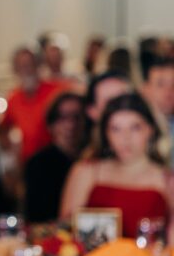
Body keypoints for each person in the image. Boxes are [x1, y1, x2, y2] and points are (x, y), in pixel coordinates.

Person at [60, 93, 172, 239]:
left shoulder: (167, 180)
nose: (125, 138)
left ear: (150, 129)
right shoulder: (86, 171)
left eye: (135, 128)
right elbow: (65, 232)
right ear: (105, 133)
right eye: (116, 129)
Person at [24, 93, 88, 223]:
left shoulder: (94, 161)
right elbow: (36, 218)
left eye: (76, 117)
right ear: (51, 124)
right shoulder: (38, 164)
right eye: (63, 118)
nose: (71, 125)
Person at [0, 46, 64, 164]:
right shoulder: (13, 98)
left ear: (38, 66)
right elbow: (3, 128)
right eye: (22, 66)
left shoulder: (56, 91)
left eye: (30, 64)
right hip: (28, 162)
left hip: (56, 157)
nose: (27, 70)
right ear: (15, 70)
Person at [141, 56, 174, 166]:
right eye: (160, 84)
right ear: (145, 89)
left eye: (173, 85)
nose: (168, 92)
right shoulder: (135, 127)